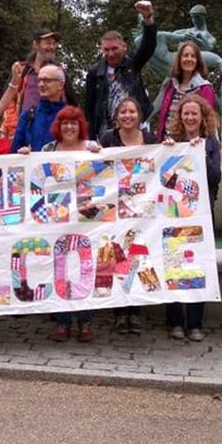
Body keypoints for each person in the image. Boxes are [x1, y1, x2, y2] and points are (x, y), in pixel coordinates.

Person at [99, 97, 159, 335]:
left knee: (139, 257)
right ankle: (120, 313)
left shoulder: (151, 140)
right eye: (122, 112)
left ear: (139, 115)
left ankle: (135, 312)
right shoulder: (108, 139)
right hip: (115, 210)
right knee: (117, 258)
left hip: (141, 211)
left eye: (131, 111)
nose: (127, 116)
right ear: (116, 117)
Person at [41, 105, 101, 342]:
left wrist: (100, 153)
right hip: (56, 221)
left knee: (85, 269)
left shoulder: (91, 148)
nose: (69, 127)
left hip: (85, 221)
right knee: (60, 270)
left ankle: (85, 321)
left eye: (73, 123)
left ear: (80, 126)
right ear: (59, 126)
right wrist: (24, 154)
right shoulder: (48, 149)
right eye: (64, 122)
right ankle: (63, 322)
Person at [163, 96, 220, 341]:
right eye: (186, 113)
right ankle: (175, 321)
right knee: (174, 266)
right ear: (180, 116)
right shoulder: (170, 142)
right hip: (173, 216)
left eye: (194, 114)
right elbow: (163, 178)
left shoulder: (210, 144)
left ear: (202, 116)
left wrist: (201, 154)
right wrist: (165, 151)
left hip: (201, 215)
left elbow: (215, 177)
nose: (190, 118)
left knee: (198, 267)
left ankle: (195, 323)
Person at [84, 0, 158, 139]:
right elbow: (89, 109)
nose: (111, 53)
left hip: (136, 129)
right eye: (106, 49)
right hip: (106, 134)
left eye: (114, 49)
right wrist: (91, 139)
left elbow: (148, 46)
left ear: (124, 47)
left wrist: (148, 18)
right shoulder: (95, 73)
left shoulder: (132, 64)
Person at [0, 27, 76, 137]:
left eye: (54, 44)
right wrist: (13, 128)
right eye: (48, 43)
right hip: (24, 130)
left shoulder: (59, 72)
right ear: (36, 45)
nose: (52, 47)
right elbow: (9, 101)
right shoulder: (21, 70)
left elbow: (71, 103)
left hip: (52, 131)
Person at [134, 4, 222, 79]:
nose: (195, 20)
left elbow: (209, 48)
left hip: (193, 68)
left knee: (216, 60)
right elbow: (171, 36)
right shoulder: (185, 31)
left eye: (197, 17)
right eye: (193, 17)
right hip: (175, 64)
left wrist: (198, 41)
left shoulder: (207, 35)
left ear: (203, 17)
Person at [150, 39, 218, 140]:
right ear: (179, 59)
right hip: (167, 143)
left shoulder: (204, 88)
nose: (189, 59)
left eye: (193, 56)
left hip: (192, 145)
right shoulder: (171, 86)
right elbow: (164, 116)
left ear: (198, 61)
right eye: (185, 55)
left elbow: (207, 121)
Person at [9, 64, 69, 153]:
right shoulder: (28, 115)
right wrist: (22, 153)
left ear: (60, 84)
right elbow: (14, 152)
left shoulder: (70, 116)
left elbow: (80, 148)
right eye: (39, 80)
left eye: (46, 80)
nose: (41, 84)